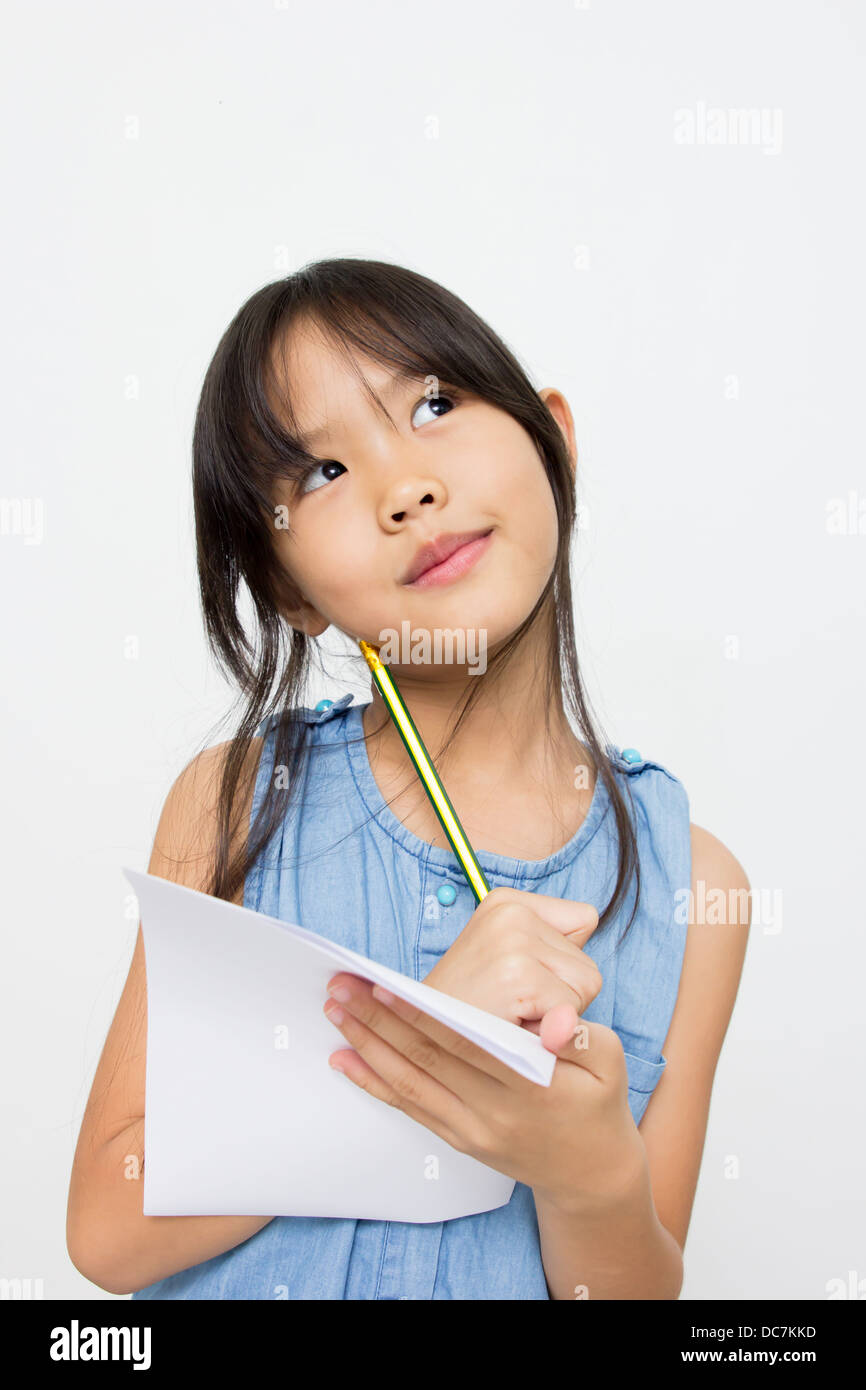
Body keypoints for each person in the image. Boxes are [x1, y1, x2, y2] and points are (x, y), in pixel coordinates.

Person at [66, 257, 751, 1299]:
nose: (404, 488)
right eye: (321, 474)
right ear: (286, 587)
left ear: (554, 442)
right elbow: (107, 1231)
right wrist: (418, 1035)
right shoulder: (234, 802)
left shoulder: (694, 886)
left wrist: (591, 1179)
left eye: (433, 402)